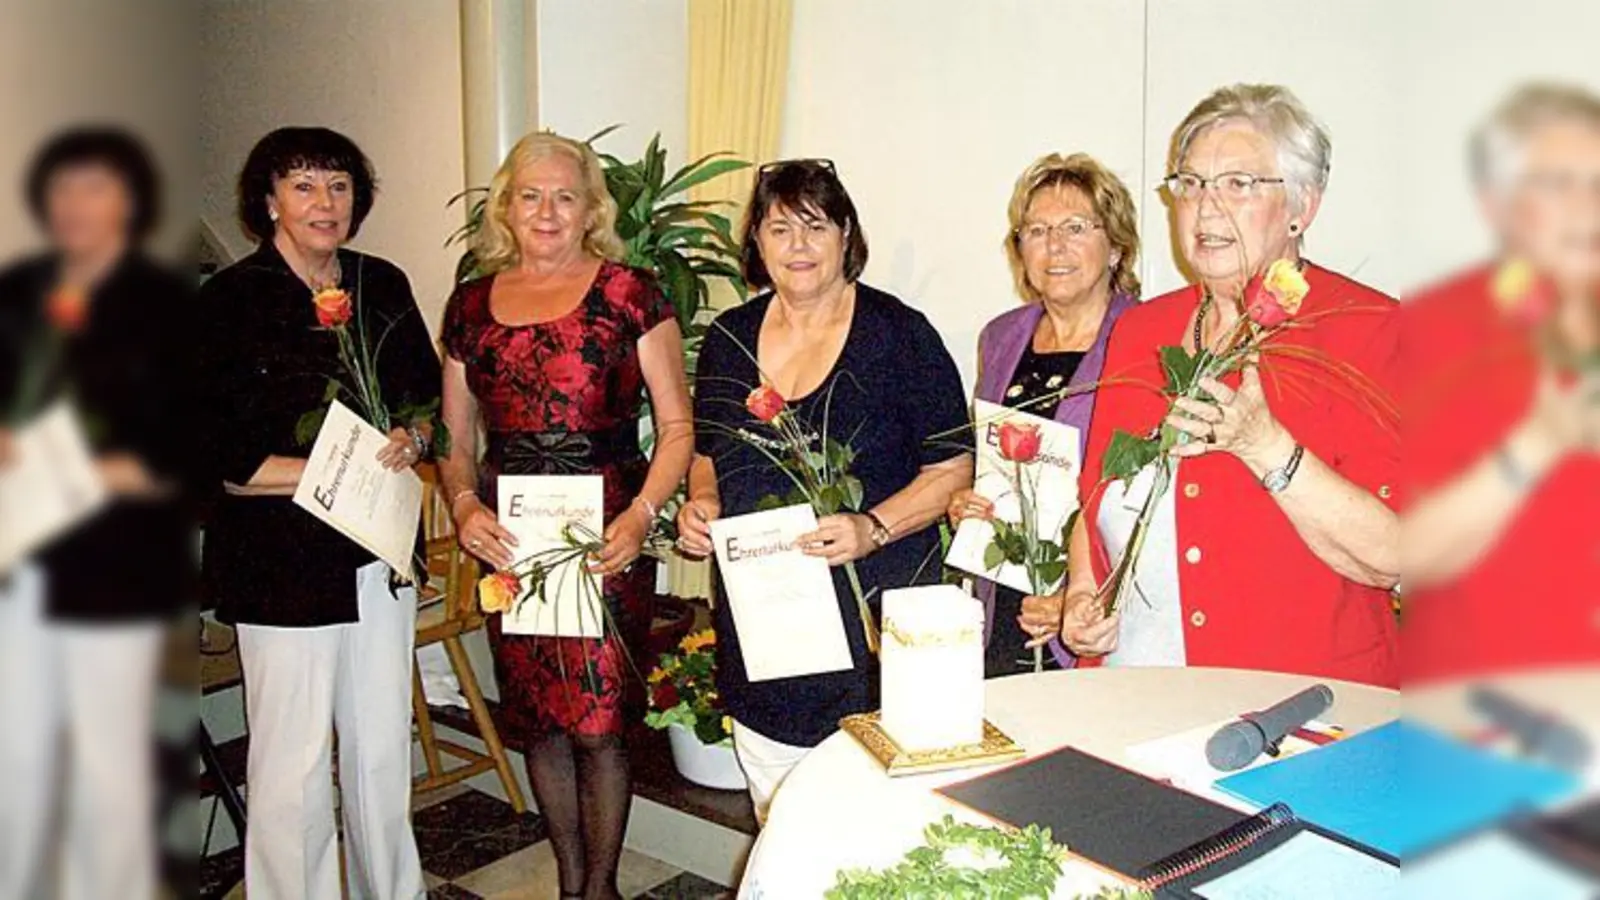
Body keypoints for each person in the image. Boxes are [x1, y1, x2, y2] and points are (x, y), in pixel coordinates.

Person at [1057, 84, 1401, 685]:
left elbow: (1394, 555)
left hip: (1297, 708)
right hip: (1128, 689)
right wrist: (1083, 590)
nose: (1206, 207)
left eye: (1239, 184)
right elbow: (1096, 494)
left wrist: (1267, 447)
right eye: (1190, 184)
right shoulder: (1142, 328)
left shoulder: (1367, 329)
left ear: (1303, 206)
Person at [677, 159, 972, 822]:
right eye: (780, 229)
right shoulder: (728, 340)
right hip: (765, 633)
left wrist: (874, 527)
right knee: (781, 831)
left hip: (873, 637)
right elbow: (706, 455)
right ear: (756, 242)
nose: (799, 246)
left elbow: (954, 467)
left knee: (880, 835)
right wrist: (704, 504)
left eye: (816, 226)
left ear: (847, 235)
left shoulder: (900, 335)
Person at [438, 131, 692, 900]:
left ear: (590, 210)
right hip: (513, 539)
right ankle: (569, 883)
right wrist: (463, 502)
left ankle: (601, 889)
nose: (547, 211)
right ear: (506, 208)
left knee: (600, 722)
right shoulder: (469, 305)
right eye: (530, 195)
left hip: (607, 530)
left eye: (565, 196)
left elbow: (678, 429)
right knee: (542, 720)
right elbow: (455, 438)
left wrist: (644, 515)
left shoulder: (631, 292)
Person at [196, 127, 438, 900]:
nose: (324, 202)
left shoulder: (381, 283)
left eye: (337, 186)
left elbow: (424, 400)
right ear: (267, 202)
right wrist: (333, 473)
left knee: (379, 751)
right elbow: (222, 458)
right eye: (303, 186)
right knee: (292, 762)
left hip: (378, 547)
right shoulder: (228, 300)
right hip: (279, 565)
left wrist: (412, 437)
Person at [0, 126, 194, 900]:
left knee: (111, 769)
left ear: (131, 200)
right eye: (63, 187)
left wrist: (91, 467)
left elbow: (179, 449)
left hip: (120, 566)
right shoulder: (19, 291)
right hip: (20, 559)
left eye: (97, 187)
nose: (76, 204)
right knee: (17, 757)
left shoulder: (165, 304)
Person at [1402, 84, 1600, 682]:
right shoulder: (1435, 330)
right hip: (1491, 714)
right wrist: (1537, 444)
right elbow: (1408, 553)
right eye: (1558, 185)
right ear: (1497, 206)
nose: (1588, 207)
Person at [944, 152, 1141, 677]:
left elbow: (1159, 506)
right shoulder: (1001, 335)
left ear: (1117, 245)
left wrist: (1080, 595)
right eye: (1036, 230)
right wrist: (969, 502)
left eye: (1076, 227)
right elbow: (991, 462)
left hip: (1095, 611)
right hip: (1005, 598)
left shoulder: (1147, 339)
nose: (1055, 246)